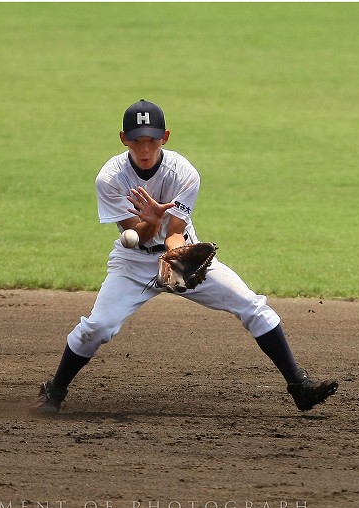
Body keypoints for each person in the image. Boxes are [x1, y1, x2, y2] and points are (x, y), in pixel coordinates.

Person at [31, 99, 337, 414]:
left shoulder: (184, 173)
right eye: (137, 141)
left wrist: (176, 253)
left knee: (251, 305)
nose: (145, 149)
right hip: (133, 264)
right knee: (99, 326)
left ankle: (299, 386)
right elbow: (136, 237)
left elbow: (175, 231)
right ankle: (54, 391)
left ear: (165, 137)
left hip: (182, 253)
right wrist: (149, 221)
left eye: (151, 140)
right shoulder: (110, 179)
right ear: (124, 139)